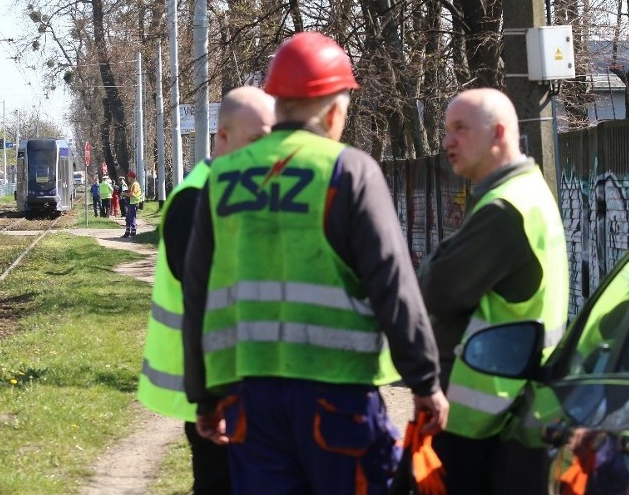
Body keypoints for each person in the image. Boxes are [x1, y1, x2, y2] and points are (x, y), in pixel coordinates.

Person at [182, 31, 448, 494]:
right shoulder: (349, 171)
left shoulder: (221, 179)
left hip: (252, 398)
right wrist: (425, 381)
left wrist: (203, 396)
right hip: (338, 397)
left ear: (277, 101)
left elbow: (197, 292)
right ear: (333, 106)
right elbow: (394, 284)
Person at [417, 88, 569, 494]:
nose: (447, 140)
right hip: (507, 407)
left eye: (460, 129)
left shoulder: (505, 208)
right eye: (447, 129)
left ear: (499, 133)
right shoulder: (526, 194)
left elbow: (434, 290)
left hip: (478, 419)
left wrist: (434, 262)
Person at [137, 85, 276, 495]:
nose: (266, 155)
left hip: (231, 383)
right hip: (214, 387)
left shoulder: (234, 193)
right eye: (256, 142)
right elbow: (209, 293)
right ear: (222, 137)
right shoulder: (196, 199)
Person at [121, 171, 142, 237]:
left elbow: (132, 194)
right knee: (128, 218)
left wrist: (124, 194)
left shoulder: (135, 185)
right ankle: (127, 232)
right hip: (130, 203)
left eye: (128, 177)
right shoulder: (132, 185)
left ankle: (133, 232)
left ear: (131, 177)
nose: (128, 178)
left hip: (133, 203)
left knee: (132, 218)